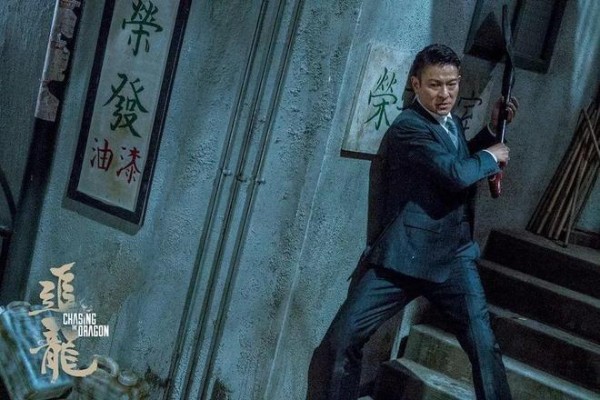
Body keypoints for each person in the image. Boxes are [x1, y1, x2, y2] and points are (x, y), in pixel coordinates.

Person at [307, 44, 518, 400]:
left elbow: (458, 159)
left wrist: (492, 129)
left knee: (484, 347)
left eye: (452, 84)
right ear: (416, 84)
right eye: (435, 85)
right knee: (342, 339)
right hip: (405, 257)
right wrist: (489, 156)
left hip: (453, 258)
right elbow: (454, 174)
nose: (445, 94)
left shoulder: (450, 123)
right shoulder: (408, 127)